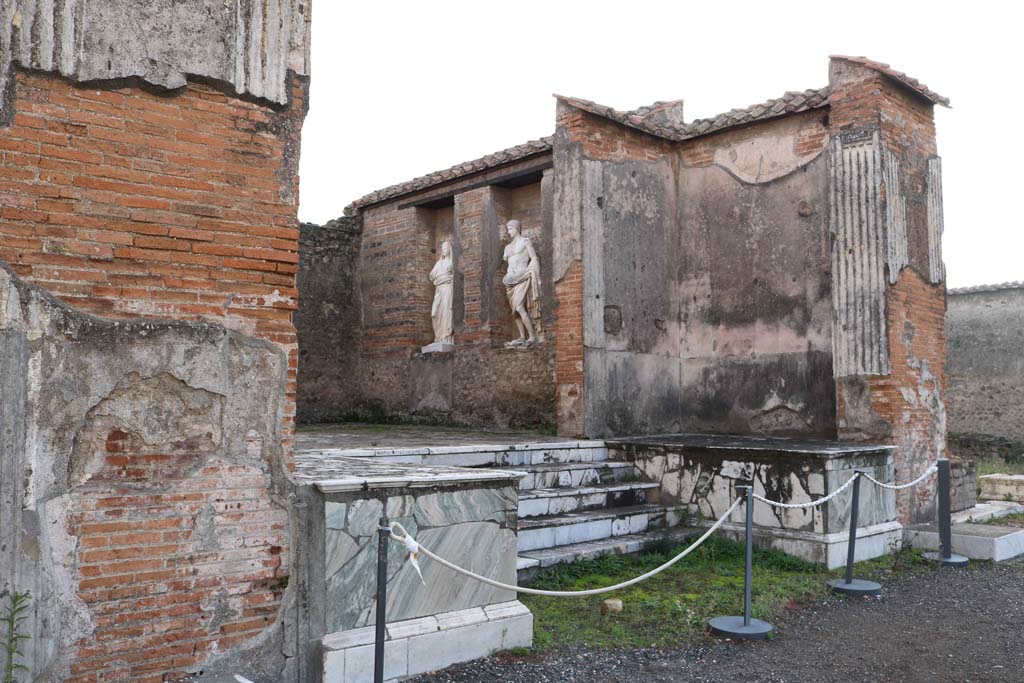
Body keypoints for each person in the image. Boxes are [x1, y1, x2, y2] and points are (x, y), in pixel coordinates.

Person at [501, 220, 541, 346]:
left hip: (522, 276)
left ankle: (533, 336)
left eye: (510, 229)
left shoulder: (525, 241)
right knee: (515, 311)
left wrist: (533, 270)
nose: (508, 232)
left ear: (517, 228)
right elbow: (509, 263)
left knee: (519, 307)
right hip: (510, 281)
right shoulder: (507, 248)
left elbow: (533, 257)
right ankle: (522, 336)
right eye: (507, 229)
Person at [429, 240, 454, 345]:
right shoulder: (439, 263)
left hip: (448, 288)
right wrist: (436, 279)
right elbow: (431, 275)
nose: (444, 250)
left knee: (446, 310)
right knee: (434, 313)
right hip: (439, 290)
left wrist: (448, 277)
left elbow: (456, 277)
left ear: (449, 250)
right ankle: (438, 337)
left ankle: (446, 337)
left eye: (445, 248)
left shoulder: (452, 263)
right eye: (442, 248)